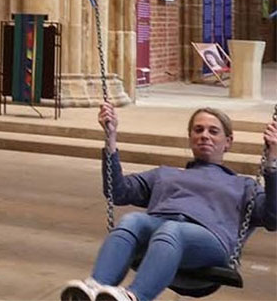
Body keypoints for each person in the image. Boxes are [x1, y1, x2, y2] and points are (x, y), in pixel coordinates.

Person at [60, 106, 277, 301]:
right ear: (190, 137)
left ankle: (134, 297)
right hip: (162, 236)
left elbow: (273, 218)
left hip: (209, 242)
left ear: (228, 142)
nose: (204, 136)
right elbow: (116, 191)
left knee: (172, 229)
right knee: (132, 220)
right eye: (198, 130)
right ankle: (95, 286)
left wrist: (272, 162)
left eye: (213, 131)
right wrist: (111, 138)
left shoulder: (243, 185)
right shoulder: (165, 175)